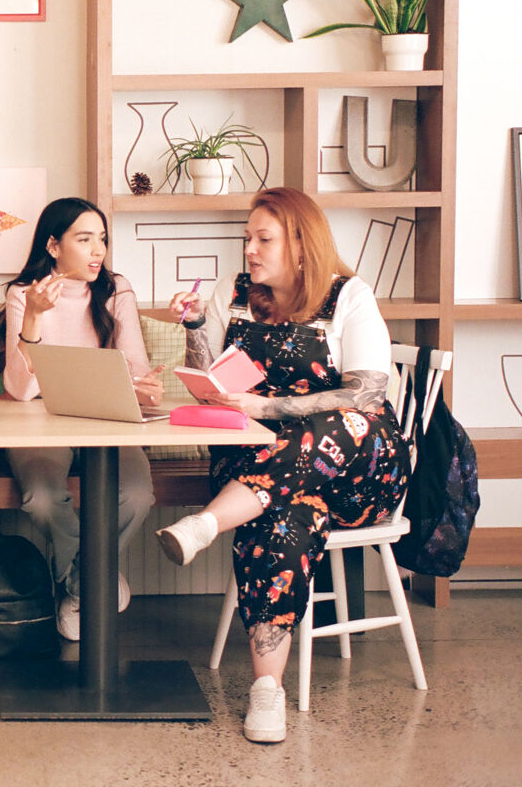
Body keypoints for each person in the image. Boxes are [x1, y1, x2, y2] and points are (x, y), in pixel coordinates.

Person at [154, 187, 411, 744]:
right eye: (247, 237)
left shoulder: (349, 296)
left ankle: (207, 522)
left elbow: (366, 395)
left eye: (262, 238)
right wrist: (197, 326)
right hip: (265, 473)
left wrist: (268, 408)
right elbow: (214, 383)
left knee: (345, 423)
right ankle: (267, 689)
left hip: (357, 473)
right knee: (285, 514)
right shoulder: (235, 292)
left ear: (300, 244)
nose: (249, 249)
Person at [1, 197, 162, 641]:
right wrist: (33, 316)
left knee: (136, 494)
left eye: (102, 240)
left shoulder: (116, 290)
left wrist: (143, 386)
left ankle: (79, 581)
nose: (98, 251)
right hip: (40, 421)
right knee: (41, 498)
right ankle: (93, 577)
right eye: (85, 239)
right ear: (53, 245)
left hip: (107, 420)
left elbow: (134, 367)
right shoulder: (23, 294)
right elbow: (20, 389)